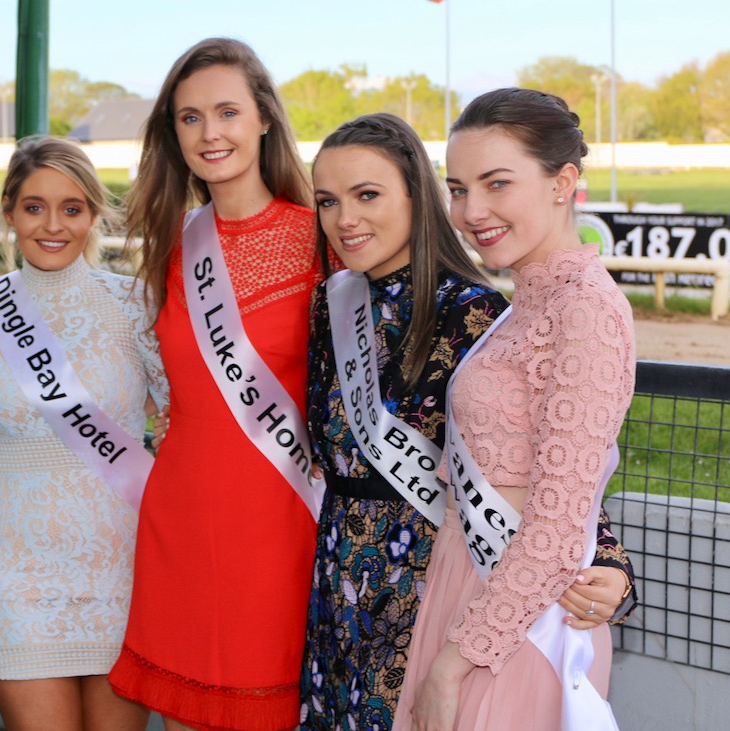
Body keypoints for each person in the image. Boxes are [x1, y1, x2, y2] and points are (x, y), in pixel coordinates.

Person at [300, 113, 638, 730]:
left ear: (414, 195)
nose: (346, 218)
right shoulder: (331, 303)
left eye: (368, 194)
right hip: (342, 581)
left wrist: (610, 563)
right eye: (328, 201)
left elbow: (543, 470)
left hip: (434, 582)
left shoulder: (476, 311)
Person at [394, 88, 637, 731]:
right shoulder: (525, 301)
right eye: (458, 188)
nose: (472, 210)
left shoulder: (585, 308)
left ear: (563, 183)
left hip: (514, 631)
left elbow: (558, 521)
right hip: (469, 589)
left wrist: (454, 663)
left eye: (497, 184)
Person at [107, 37, 322, 730]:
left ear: (263, 117)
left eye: (226, 111)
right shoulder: (175, 239)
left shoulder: (323, 236)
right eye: (189, 117)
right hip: (180, 515)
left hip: (278, 518)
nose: (209, 132)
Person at [0, 137, 167, 731]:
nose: (53, 225)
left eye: (72, 208)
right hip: (12, 573)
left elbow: (176, 421)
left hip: (121, 568)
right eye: (34, 207)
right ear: (9, 211)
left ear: (94, 214)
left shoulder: (135, 304)